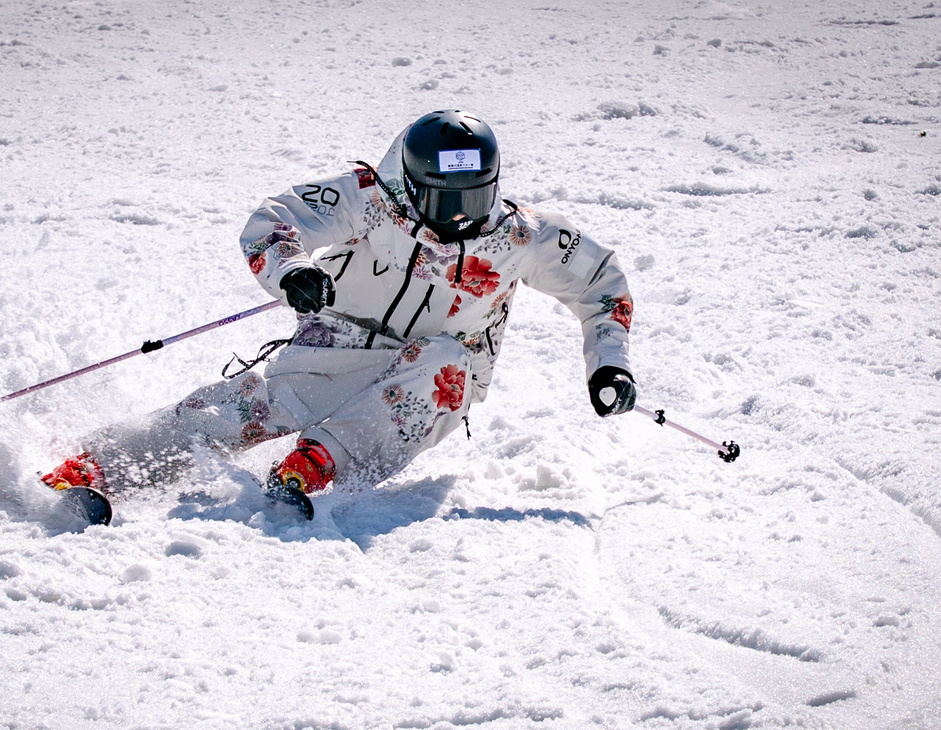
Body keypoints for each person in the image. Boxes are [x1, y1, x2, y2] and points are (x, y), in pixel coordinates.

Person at [41, 109, 637, 508]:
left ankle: (319, 463)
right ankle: (99, 467)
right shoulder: (367, 198)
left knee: (443, 359)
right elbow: (276, 219)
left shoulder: (519, 236)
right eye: (442, 198)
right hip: (341, 342)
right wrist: (291, 270)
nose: (458, 217)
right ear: (408, 181)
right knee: (251, 405)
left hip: (434, 373)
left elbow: (601, 284)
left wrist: (609, 363)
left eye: (474, 196)